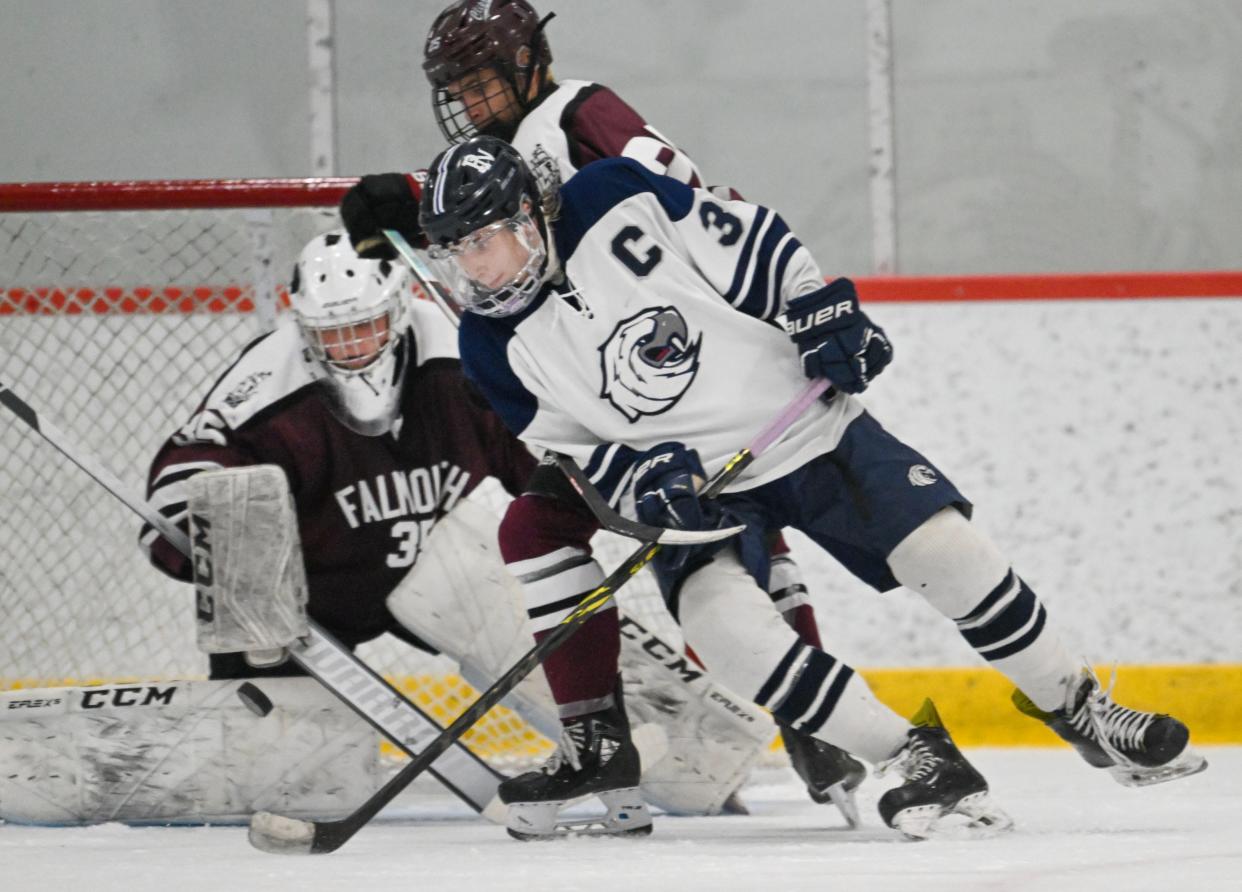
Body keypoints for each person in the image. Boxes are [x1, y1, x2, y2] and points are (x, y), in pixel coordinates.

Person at [391, 135, 1205, 839]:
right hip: (707, 494)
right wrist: (644, 483)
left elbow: (756, 243)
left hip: (804, 427)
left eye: (483, 243)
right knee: (729, 632)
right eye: (455, 252)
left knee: (947, 552)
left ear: (530, 217)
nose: (472, 269)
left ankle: (1082, 709)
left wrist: (821, 311)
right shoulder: (489, 346)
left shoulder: (613, 197)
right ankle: (915, 756)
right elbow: (576, 455)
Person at [340, 0, 865, 819]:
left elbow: (675, 205)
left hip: (668, 368)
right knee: (548, 529)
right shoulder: (512, 143)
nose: (471, 106)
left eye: (482, 85)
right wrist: (411, 204)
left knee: (716, 538)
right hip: (615, 382)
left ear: (529, 64)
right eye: (458, 92)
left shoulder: (582, 112)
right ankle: (609, 741)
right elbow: (516, 229)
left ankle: (797, 719)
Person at [140, 229, 769, 824]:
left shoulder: (458, 353)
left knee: (545, 597)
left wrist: (599, 497)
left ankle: (685, 761)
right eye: (334, 334)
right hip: (308, 599)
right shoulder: (268, 386)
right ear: (303, 327)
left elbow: (539, 446)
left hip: (434, 565)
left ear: (399, 309)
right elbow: (183, 478)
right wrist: (215, 550)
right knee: (279, 773)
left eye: (366, 326)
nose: (354, 347)